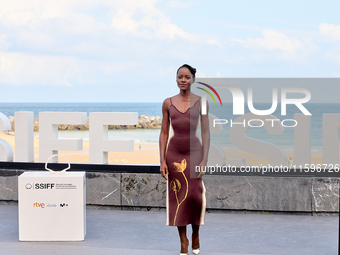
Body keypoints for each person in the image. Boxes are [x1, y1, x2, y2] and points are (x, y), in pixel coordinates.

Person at [159, 64, 210, 255]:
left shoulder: (201, 102)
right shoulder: (167, 103)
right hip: (174, 154)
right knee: (178, 196)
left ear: (193, 80)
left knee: (196, 195)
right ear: (176, 79)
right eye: (180, 77)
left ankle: (195, 233)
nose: (183, 80)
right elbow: (164, 132)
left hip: (195, 152)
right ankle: (183, 241)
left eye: (187, 77)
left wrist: (204, 159)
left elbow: (205, 131)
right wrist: (162, 160)